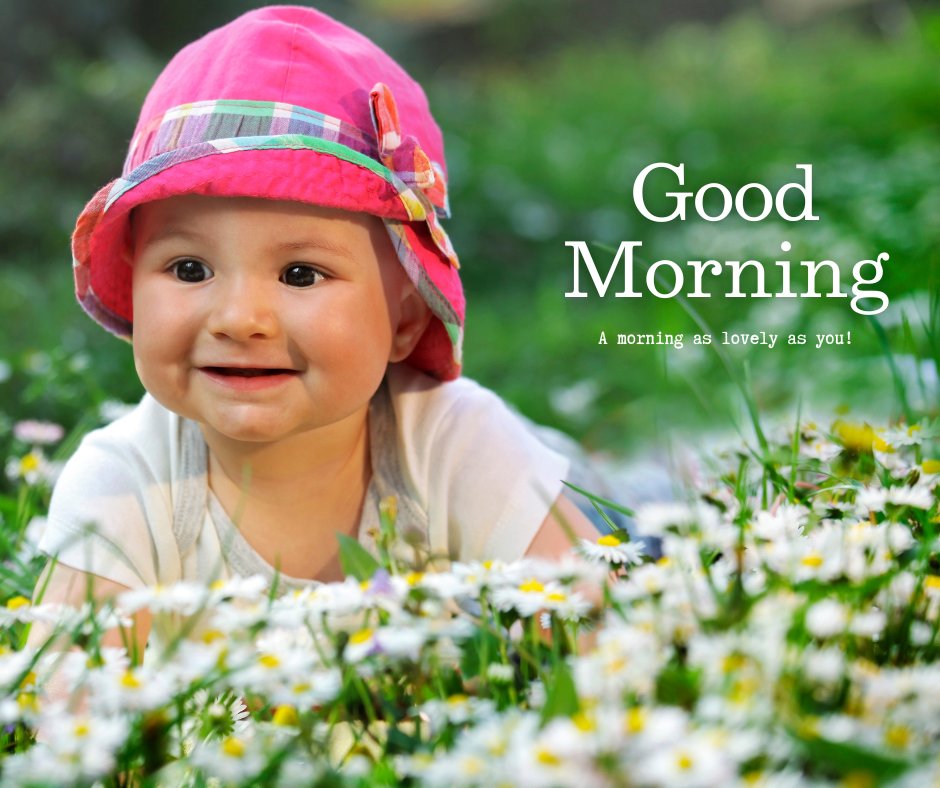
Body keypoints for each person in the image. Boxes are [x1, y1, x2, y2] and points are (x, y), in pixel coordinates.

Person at [30, 5, 606, 656]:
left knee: (643, 525)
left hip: (570, 497)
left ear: (405, 320)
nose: (239, 319)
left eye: (302, 274)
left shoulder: (454, 441)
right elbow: (64, 710)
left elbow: (600, 635)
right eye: (189, 268)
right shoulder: (126, 480)